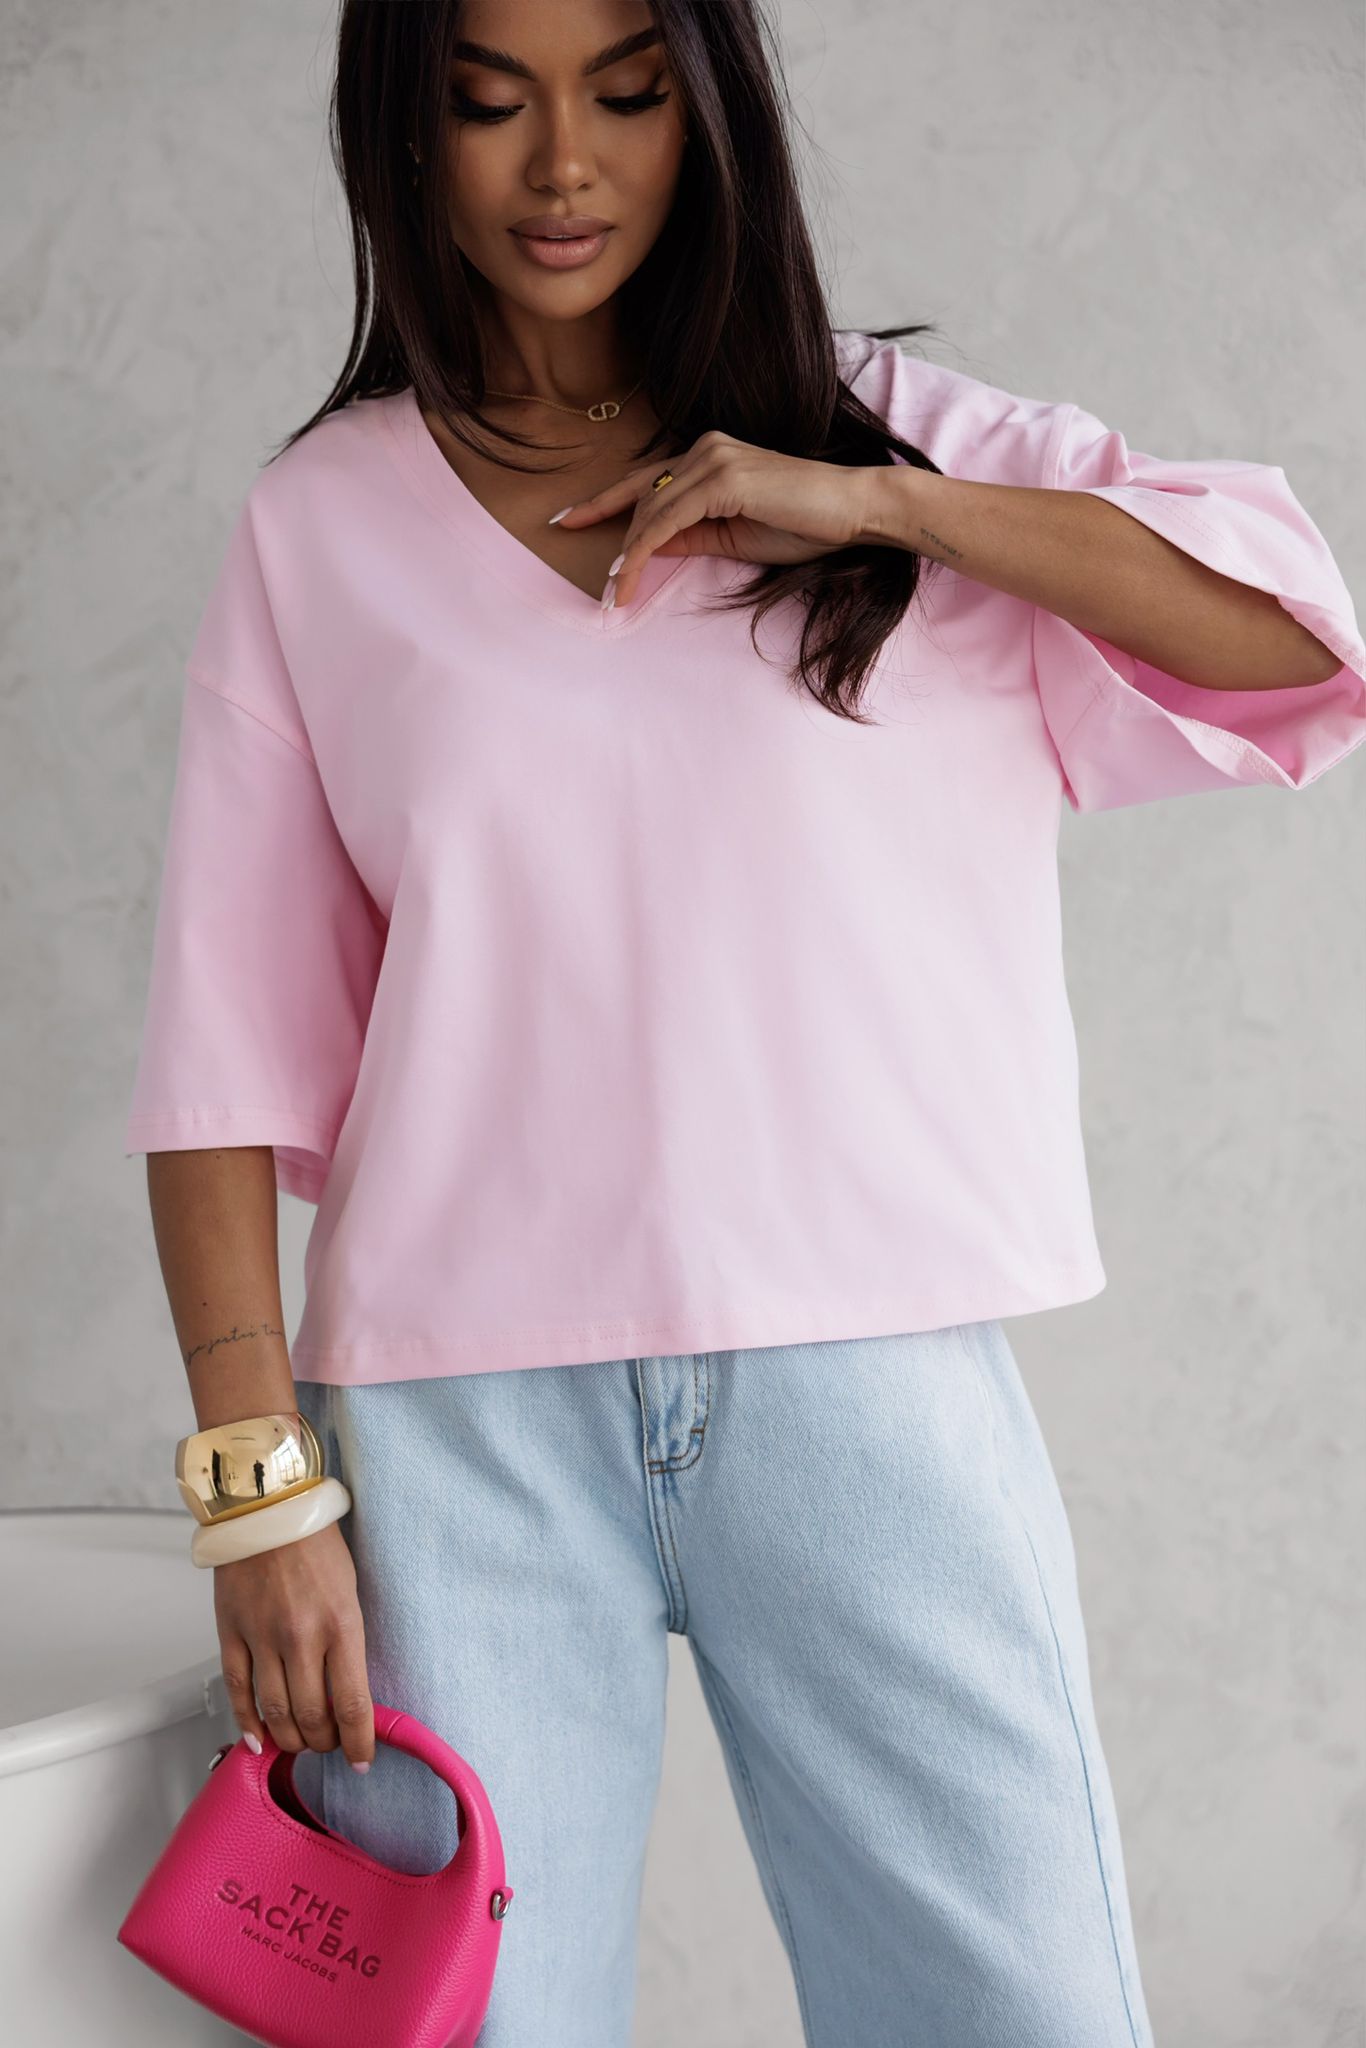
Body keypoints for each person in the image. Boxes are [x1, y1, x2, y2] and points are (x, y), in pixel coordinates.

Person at [122, 4, 1365, 2044]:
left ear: (707, 113)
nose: (561, 165)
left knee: (1018, 2010)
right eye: (488, 101)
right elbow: (219, 1044)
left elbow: (1293, 640)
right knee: (474, 2025)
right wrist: (258, 1494)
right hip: (453, 1433)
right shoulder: (319, 524)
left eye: (624, 93)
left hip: (863, 1381)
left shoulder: (898, 442)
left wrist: (886, 507)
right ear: (405, 132)